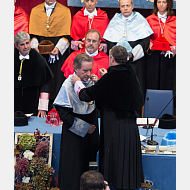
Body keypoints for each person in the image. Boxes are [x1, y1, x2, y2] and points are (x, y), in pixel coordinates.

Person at [72, 45, 144, 190]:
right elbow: (120, 93)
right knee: (128, 166)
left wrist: (77, 83)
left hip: (114, 127)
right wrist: (102, 81)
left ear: (111, 58)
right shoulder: (131, 73)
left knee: (116, 166)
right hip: (131, 128)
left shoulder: (111, 77)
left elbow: (85, 95)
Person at [53, 53, 99, 190]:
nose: (88, 74)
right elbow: (64, 115)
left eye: (90, 70)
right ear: (76, 69)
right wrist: (85, 128)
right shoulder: (67, 86)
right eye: (85, 70)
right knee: (73, 171)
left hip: (90, 137)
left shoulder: (91, 83)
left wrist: (98, 84)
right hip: (73, 135)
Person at [103, 0, 153, 97]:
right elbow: (110, 42)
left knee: (135, 90)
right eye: (123, 6)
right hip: (118, 63)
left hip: (135, 62)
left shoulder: (140, 19)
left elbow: (145, 42)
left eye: (127, 5)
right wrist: (119, 56)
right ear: (120, 8)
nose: (125, 8)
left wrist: (132, 55)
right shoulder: (115, 20)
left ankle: (136, 112)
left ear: (132, 6)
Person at [29, 0, 71, 106]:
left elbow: (66, 36)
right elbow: (32, 35)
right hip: (39, 52)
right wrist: (35, 48)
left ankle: (56, 107)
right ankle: (40, 108)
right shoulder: (35, 11)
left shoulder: (65, 11)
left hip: (57, 52)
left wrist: (58, 49)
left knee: (56, 80)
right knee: (40, 78)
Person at [14, 31, 53, 118]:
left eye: (27, 43)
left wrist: (42, 108)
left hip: (33, 103)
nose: (26, 47)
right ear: (16, 46)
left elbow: (45, 85)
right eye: (22, 44)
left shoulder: (39, 59)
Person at [146, 0, 176, 91]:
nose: (161, 5)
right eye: (159, 2)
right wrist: (150, 45)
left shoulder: (175, 20)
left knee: (168, 81)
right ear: (156, 4)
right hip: (153, 56)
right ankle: (152, 103)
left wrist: (174, 47)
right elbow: (146, 38)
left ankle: (168, 103)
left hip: (169, 55)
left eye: (164, 2)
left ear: (168, 4)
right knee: (152, 81)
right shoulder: (149, 19)